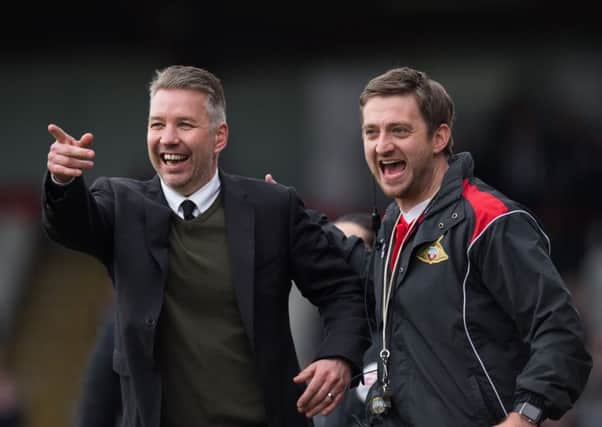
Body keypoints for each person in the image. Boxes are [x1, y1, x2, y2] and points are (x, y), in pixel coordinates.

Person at [42, 65, 370, 427]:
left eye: (184, 124)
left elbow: (341, 290)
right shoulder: (120, 204)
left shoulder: (272, 208)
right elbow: (70, 226)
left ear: (219, 136)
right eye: (157, 124)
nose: (168, 138)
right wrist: (61, 181)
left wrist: (337, 356)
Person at [269, 66, 592, 426]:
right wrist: (293, 215)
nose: (382, 145)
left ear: (439, 138)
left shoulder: (489, 219)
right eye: (371, 132)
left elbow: (560, 331)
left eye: (399, 130)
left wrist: (523, 417)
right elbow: (366, 269)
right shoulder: (395, 224)